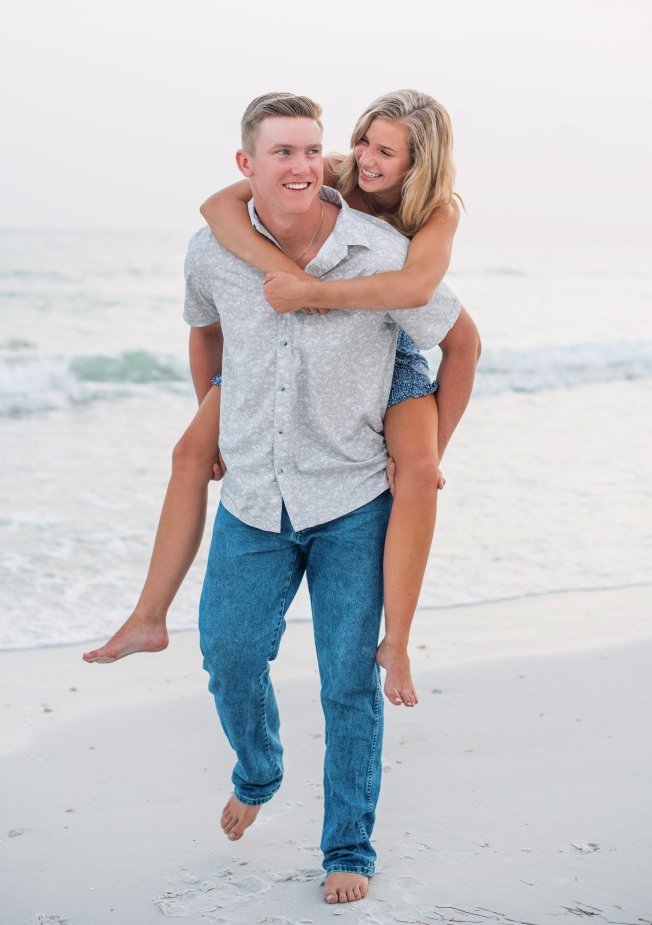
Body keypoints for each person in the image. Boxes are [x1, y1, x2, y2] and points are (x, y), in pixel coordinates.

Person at [182, 93, 479, 903]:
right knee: (229, 653)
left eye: (311, 150)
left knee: (349, 680)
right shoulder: (223, 242)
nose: (314, 163)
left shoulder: (398, 240)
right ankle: (259, 768)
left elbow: (453, 332)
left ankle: (349, 844)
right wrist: (211, 412)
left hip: (354, 483)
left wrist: (433, 448)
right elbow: (206, 321)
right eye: (285, 152)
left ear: (419, 163)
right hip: (258, 492)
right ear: (252, 161)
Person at [83, 90, 469, 712]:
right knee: (189, 453)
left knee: (419, 473)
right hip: (295, 339)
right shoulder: (332, 170)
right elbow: (218, 208)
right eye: (364, 140)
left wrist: (315, 296)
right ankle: (148, 615)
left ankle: (397, 643)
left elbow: (421, 291)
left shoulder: (436, 212)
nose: (366, 158)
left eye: (385, 152)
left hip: (387, 343)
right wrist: (292, 285)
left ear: (419, 164)